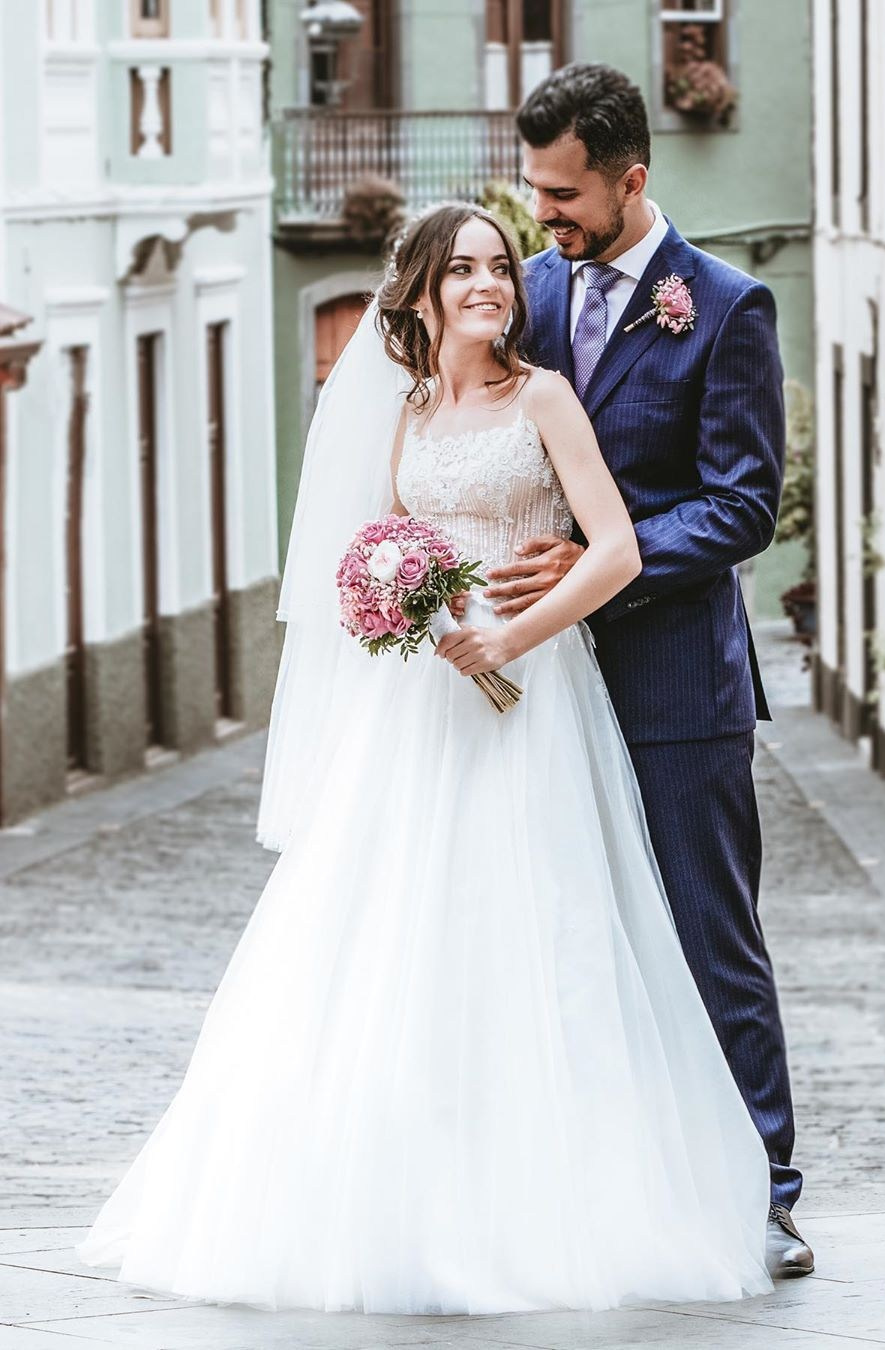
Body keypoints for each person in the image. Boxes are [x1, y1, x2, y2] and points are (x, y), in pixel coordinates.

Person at [75, 203, 773, 1314]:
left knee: (541, 931)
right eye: (465, 272)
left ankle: (553, 1202)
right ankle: (398, 1195)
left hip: (535, 697)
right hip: (420, 709)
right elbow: (374, 551)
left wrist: (511, 635)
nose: (490, 284)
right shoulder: (402, 414)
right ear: (426, 295)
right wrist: (402, 607)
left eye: (501, 266)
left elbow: (619, 548)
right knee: (393, 939)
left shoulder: (544, 397)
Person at [481, 64, 813, 1277]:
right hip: (547, 693)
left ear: (632, 178)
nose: (546, 217)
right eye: (536, 194)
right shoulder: (525, 292)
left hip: (677, 687)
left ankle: (766, 1188)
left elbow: (740, 508)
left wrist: (592, 562)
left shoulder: (725, 307)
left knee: (706, 935)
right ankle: (611, 1190)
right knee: (570, 936)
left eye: (565, 196)